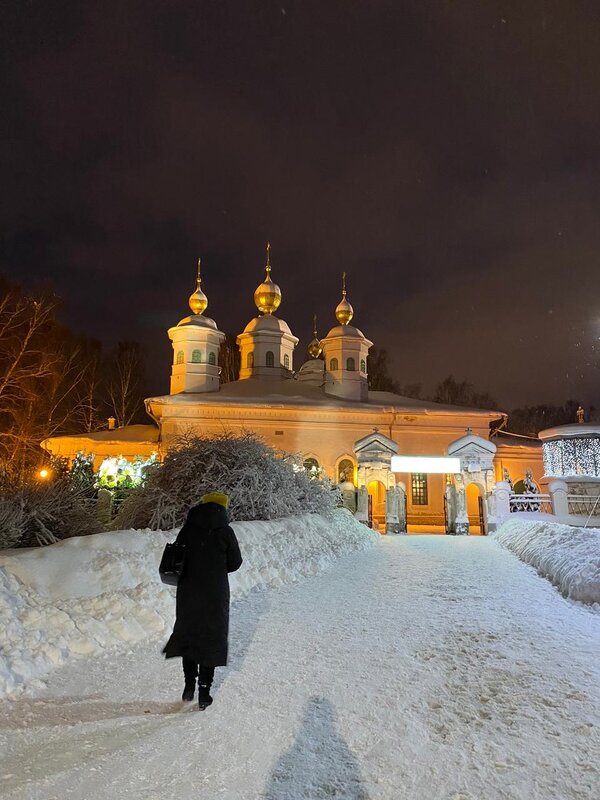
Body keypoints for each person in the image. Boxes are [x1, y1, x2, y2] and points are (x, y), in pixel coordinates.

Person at [163, 492, 242, 709]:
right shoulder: (225, 531)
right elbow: (235, 563)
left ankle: (189, 684)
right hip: (215, 593)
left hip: (189, 590)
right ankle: (204, 692)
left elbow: (178, 557)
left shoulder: (188, 529)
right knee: (211, 639)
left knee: (190, 635)